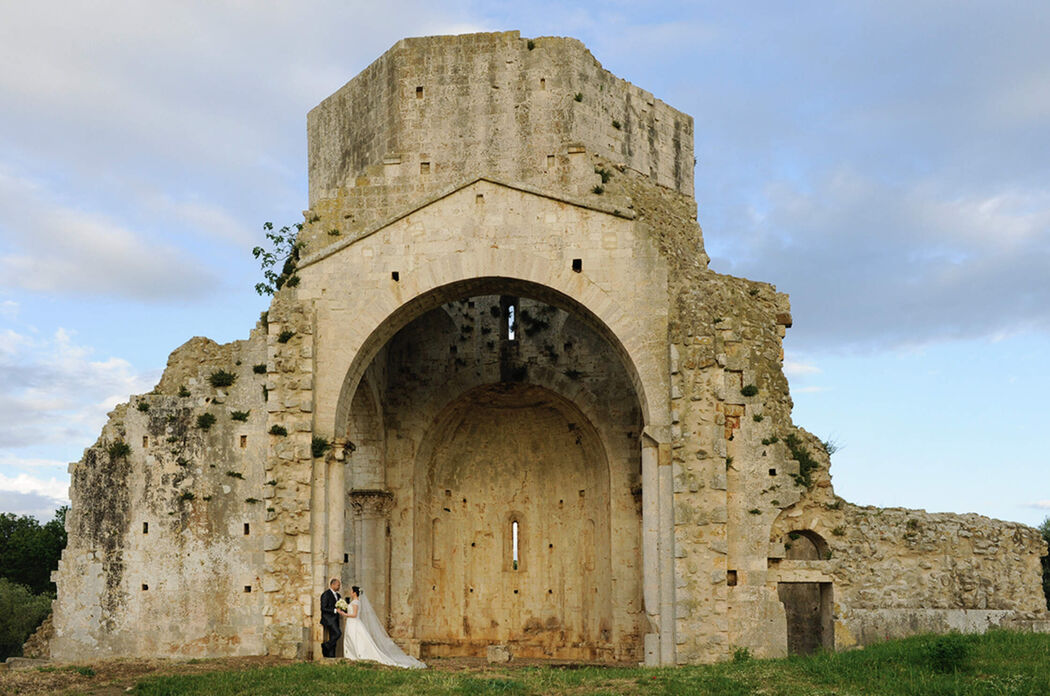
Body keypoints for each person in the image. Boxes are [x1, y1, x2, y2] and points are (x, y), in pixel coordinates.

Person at [337, 585, 426, 668]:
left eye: (351, 591)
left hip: (354, 622)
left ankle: (356, 655)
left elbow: (355, 614)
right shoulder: (355, 601)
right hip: (352, 623)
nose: (350, 592)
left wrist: (343, 613)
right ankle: (352, 655)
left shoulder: (356, 602)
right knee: (352, 639)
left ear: (354, 593)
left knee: (355, 639)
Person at [319, 578, 342, 658]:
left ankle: (331, 656)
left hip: (336, 619)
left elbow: (340, 606)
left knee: (334, 637)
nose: (339, 587)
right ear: (332, 585)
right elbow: (323, 608)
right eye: (338, 585)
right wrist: (335, 610)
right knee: (338, 633)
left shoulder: (338, 595)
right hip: (328, 619)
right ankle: (326, 645)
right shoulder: (326, 594)